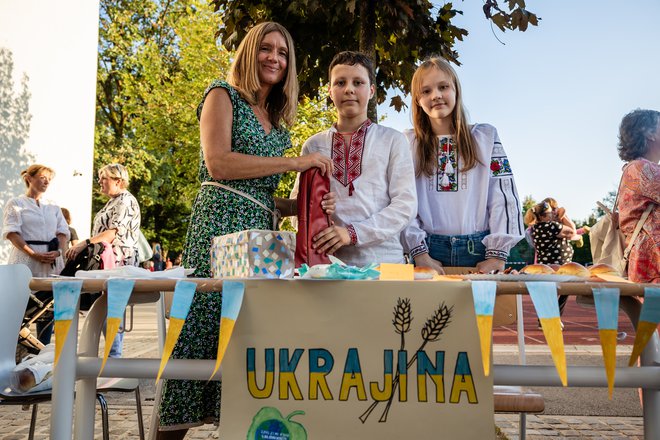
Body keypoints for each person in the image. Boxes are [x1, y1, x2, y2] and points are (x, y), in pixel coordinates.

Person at [157, 22, 333, 438]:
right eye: (265, 49)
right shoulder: (222, 95)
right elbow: (219, 164)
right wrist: (296, 163)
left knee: (246, 337)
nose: (274, 58)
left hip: (259, 235)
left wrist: (307, 207)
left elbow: (262, 194)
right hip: (218, 226)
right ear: (249, 53)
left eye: (283, 52)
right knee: (201, 330)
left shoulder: (276, 119)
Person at [401, 56, 524, 274]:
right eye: (426, 91)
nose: (436, 95)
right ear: (417, 100)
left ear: (456, 90)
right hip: (428, 250)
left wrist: (497, 255)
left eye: (443, 87)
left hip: (480, 249)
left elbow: (503, 195)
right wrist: (419, 253)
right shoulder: (408, 143)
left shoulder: (485, 137)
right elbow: (403, 200)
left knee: (480, 309)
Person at [303, 51, 417, 266]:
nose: (349, 89)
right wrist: (316, 207)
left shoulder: (393, 140)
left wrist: (352, 233)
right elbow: (300, 207)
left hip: (383, 263)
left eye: (358, 82)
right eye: (340, 82)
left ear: (371, 90)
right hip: (327, 265)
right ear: (330, 91)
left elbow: (405, 205)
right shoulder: (313, 145)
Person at [65, 163, 141, 356]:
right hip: (109, 263)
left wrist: (83, 243)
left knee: (111, 313)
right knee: (106, 312)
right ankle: (111, 361)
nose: (99, 181)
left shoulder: (125, 200)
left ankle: (114, 361)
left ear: (118, 180)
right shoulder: (114, 201)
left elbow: (113, 233)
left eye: (104, 177)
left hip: (118, 263)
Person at [2, 164, 69, 344]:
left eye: (49, 178)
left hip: (51, 263)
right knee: (20, 307)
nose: (46, 181)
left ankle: (43, 350)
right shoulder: (16, 203)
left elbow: (63, 232)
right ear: (29, 179)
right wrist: (33, 254)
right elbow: (12, 233)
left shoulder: (53, 205)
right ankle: (13, 349)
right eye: (42, 177)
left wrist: (59, 252)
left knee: (47, 307)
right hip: (25, 262)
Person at [616, 109, 659, 284]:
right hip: (653, 268)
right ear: (648, 133)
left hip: (648, 267)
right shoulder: (642, 168)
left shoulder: (635, 168)